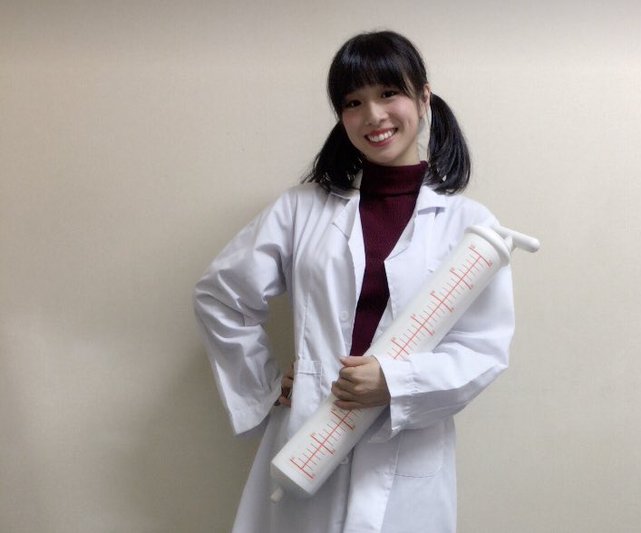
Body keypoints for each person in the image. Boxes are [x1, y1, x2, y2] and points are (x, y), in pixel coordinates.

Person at [193, 30, 514, 533]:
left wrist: (395, 382)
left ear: (423, 98)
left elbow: (482, 349)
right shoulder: (300, 210)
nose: (373, 115)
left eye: (389, 93)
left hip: (407, 448)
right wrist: (264, 384)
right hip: (308, 434)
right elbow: (221, 296)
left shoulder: (469, 227)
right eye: (353, 102)